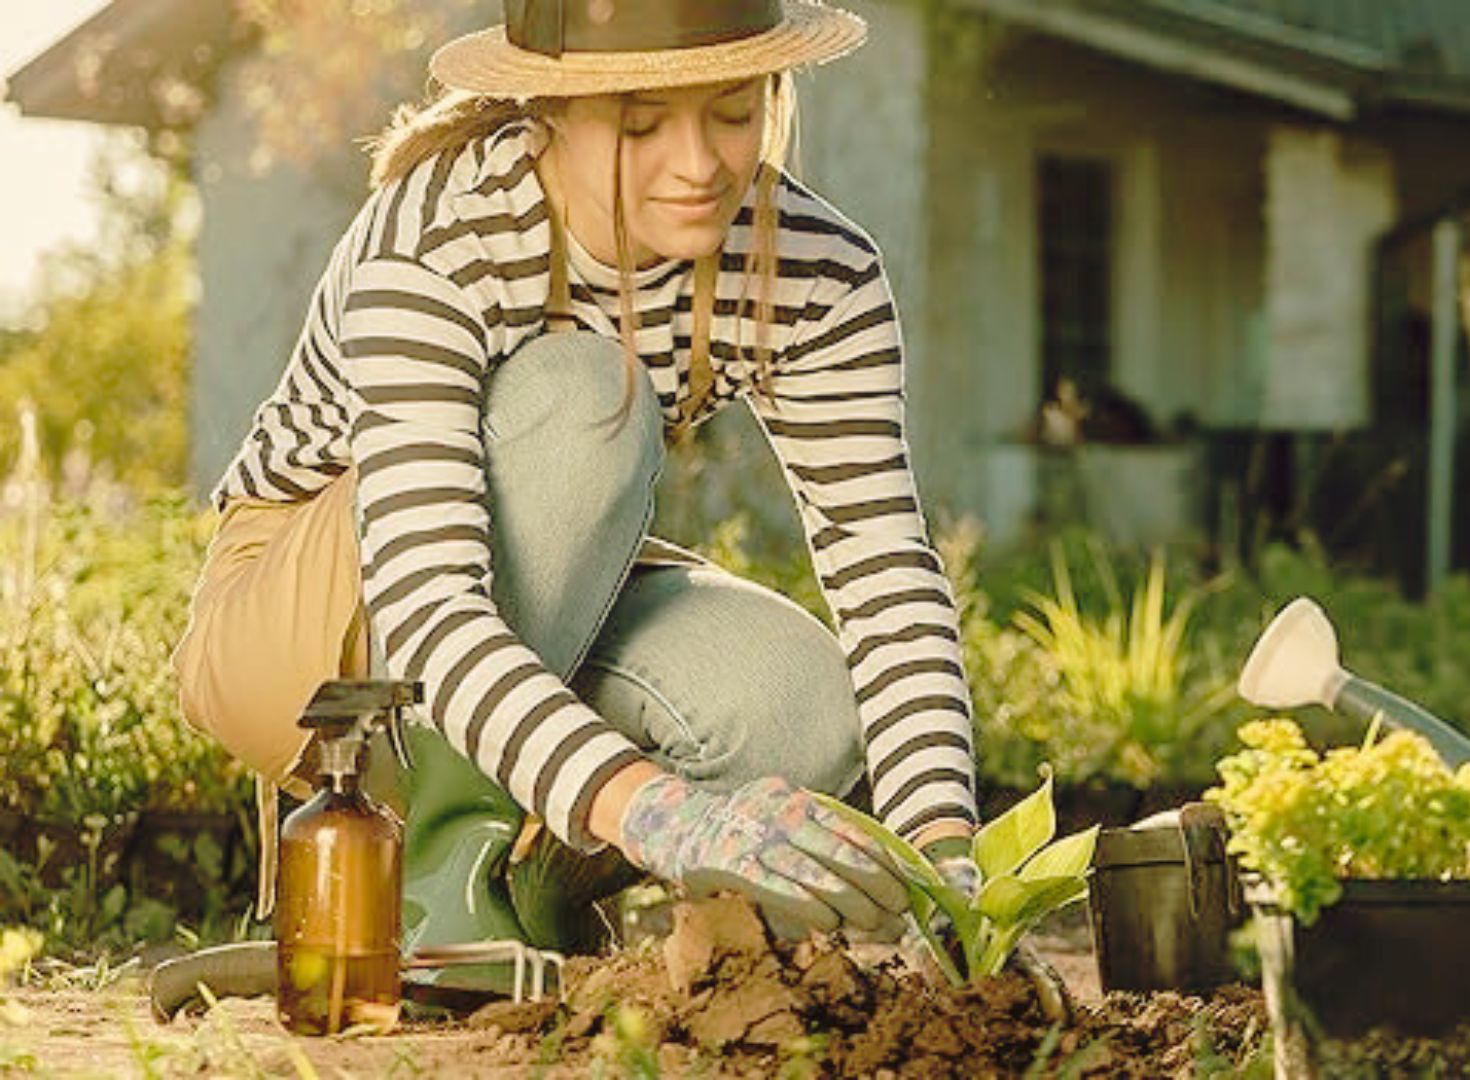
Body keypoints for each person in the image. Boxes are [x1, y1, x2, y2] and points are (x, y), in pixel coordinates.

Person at [172, 0, 1003, 992]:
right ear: (549, 110)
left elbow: (885, 578)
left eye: (733, 112)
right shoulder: (440, 234)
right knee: (586, 397)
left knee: (804, 701)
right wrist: (659, 812)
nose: (697, 164)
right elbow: (430, 603)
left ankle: (524, 893)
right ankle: (432, 880)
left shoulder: (818, 272)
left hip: (549, 587)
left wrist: (946, 862)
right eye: (643, 123)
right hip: (313, 633)